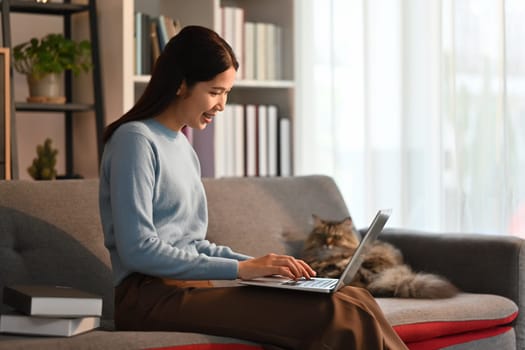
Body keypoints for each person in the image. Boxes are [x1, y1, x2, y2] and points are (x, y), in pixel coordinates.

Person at [99, 25, 408, 350]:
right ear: (181, 84)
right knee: (330, 311)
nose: (222, 105)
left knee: (351, 296)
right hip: (149, 298)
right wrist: (240, 269)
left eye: (226, 93)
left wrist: (265, 267)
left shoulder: (182, 147)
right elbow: (138, 249)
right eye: (215, 91)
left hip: (190, 287)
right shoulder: (134, 141)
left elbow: (193, 244)